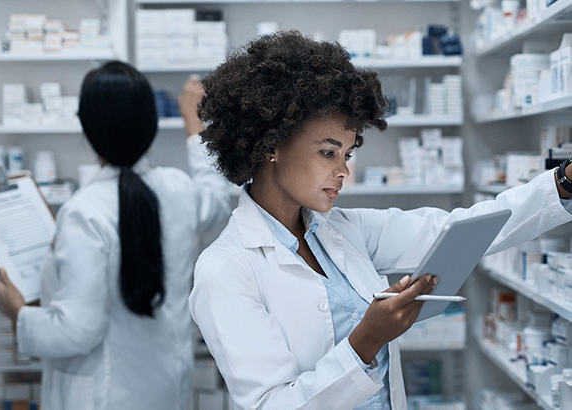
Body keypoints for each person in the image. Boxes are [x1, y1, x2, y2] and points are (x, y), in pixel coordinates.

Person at [188, 30, 572, 410]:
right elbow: (271, 405)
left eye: (347, 155)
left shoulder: (341, 230)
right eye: (327, 152)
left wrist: (563, 182)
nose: (343, 172)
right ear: (270, 144)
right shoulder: (225, 269)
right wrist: (366, 342)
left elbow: (462, 228)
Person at [0, 62, 231, 410]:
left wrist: (16, 312)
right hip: (164, 390)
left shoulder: (84, 212)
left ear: (89, 129)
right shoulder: (180, 190)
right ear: (149, 124)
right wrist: (194, 123)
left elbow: (76, 331)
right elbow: (219, 196)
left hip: (101, 398)